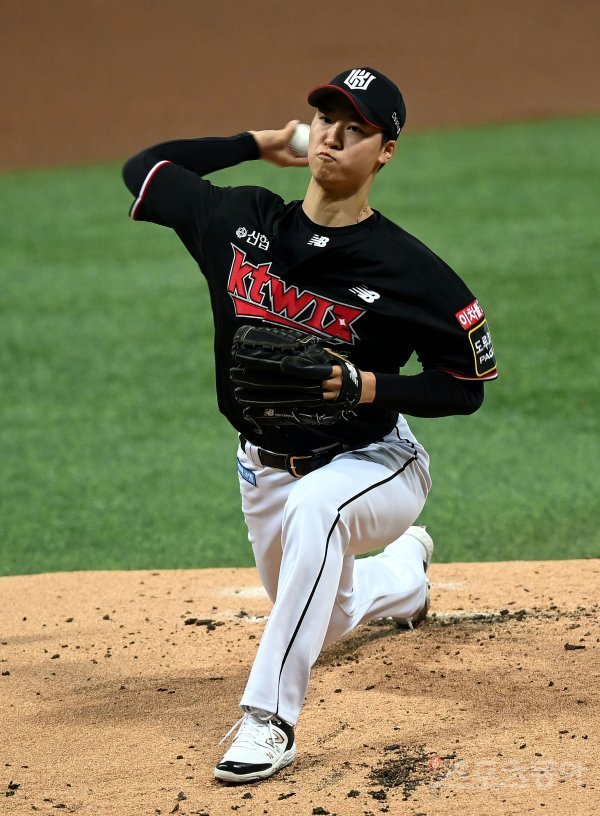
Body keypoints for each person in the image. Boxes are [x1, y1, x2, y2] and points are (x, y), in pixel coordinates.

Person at [122, 67, 497, 784]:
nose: (333, 136)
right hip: (262, 470)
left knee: (317, 509)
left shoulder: (408, 270)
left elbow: (465, 387)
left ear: (385, 152)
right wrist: (254, 143)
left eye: (356, 129)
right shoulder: (241, 220)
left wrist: (366, 386)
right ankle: (405, 577)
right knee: (328, 614)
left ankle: (269, 721)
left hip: (375, 460)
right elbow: (145, 169)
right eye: (326, 120)